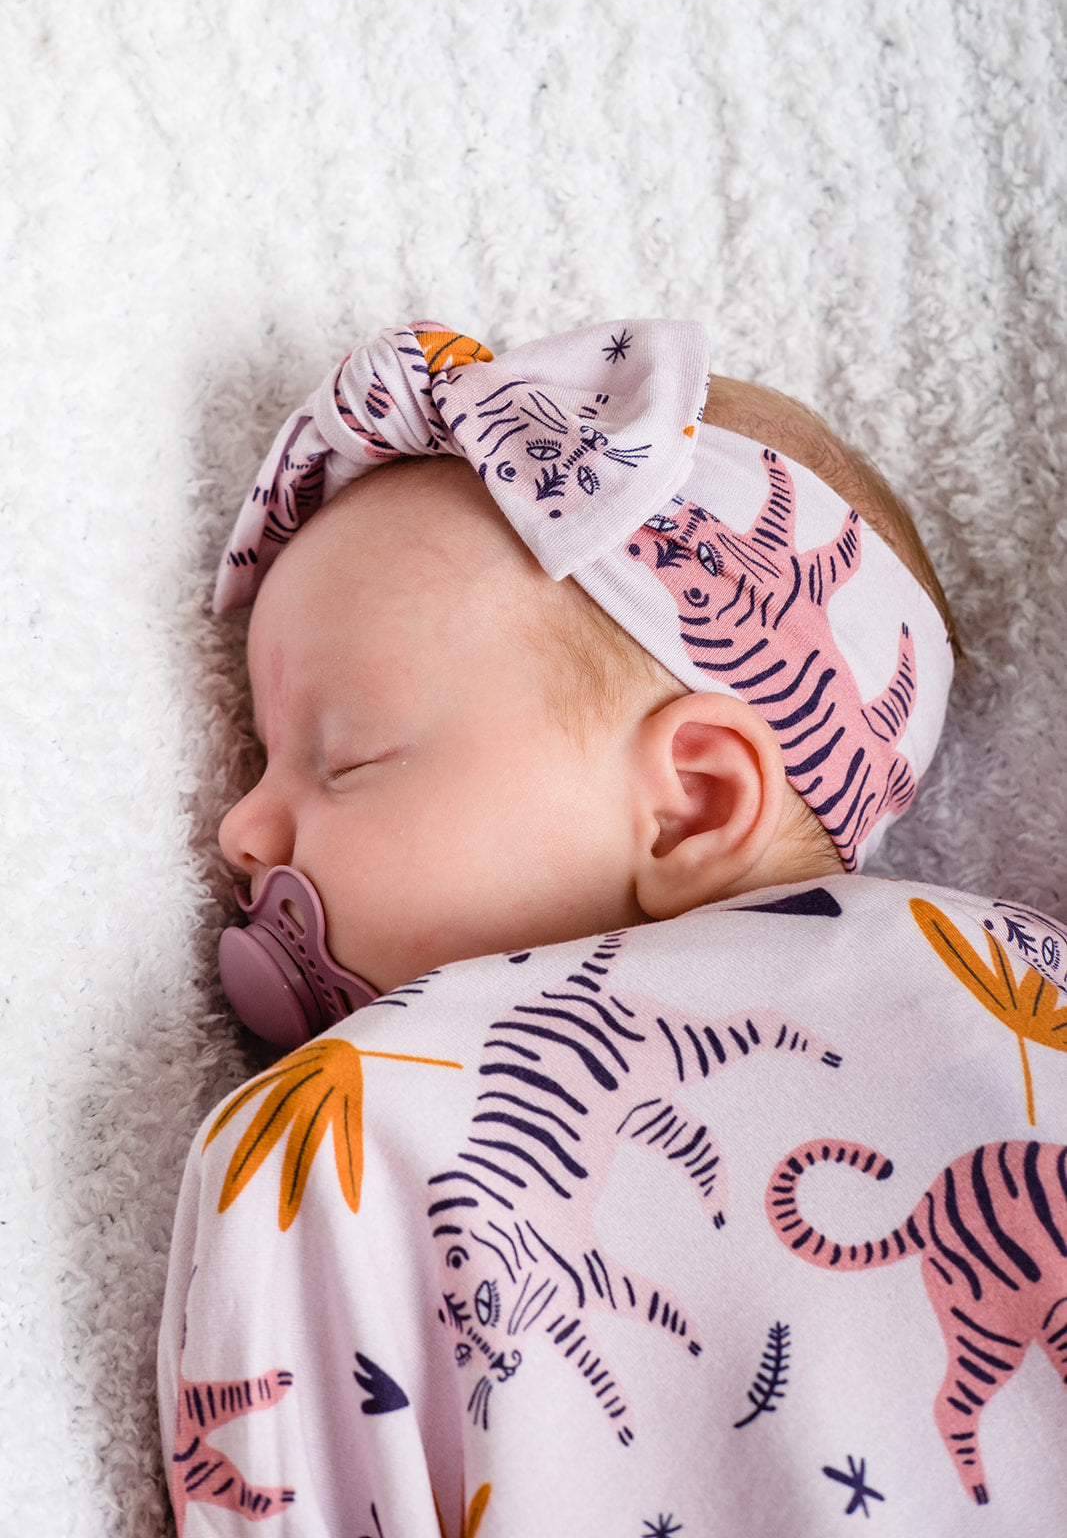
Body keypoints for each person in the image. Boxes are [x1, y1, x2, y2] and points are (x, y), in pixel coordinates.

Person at [159, 320, 1067, 1537]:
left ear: (691, 802)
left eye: (346, 759)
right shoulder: (346, 1130)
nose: (239, 828)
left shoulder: (999, 977)